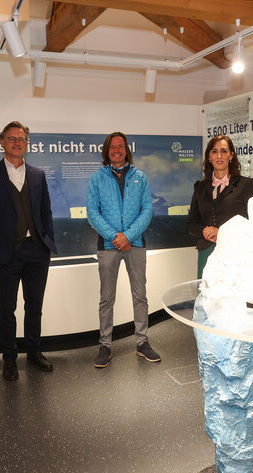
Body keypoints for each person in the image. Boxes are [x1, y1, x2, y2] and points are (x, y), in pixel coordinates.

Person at [0, 121, 58, 381]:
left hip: (36, 253)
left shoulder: (37, 174)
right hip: (4, 256)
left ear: (27, 143)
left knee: (35, 308)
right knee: (6, 310)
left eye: (21, 139)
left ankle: (33, 352)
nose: (17, 143)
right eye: (11, 139)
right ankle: (9, 359)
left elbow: (45, 212)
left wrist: (48, 242)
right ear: (2, 142)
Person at [86, 131, 159, 368]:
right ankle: (105, 345)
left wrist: (127, 236)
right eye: (112, 147)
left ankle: (142, 342)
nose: (117, 150)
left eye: (121, 146)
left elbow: (147, 210)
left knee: (140, 295)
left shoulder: (140, 177)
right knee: (106, 298)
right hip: (108, 246)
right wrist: (114, 237)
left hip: (135, 244)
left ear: (127, 150)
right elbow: (92, 213)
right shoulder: (97, 179)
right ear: (107, 151)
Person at [187, 134, 253, 278]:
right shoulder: (200, 187)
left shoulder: (247, 185)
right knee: (205, 297)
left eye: (224, 151)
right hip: (207, 252)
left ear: (231, 156)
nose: (219, 156)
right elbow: (191, 224)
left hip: (235, 253)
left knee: (231, 298)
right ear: (209, 156)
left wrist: (221, 232)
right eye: (214, 151)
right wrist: (206, 231)